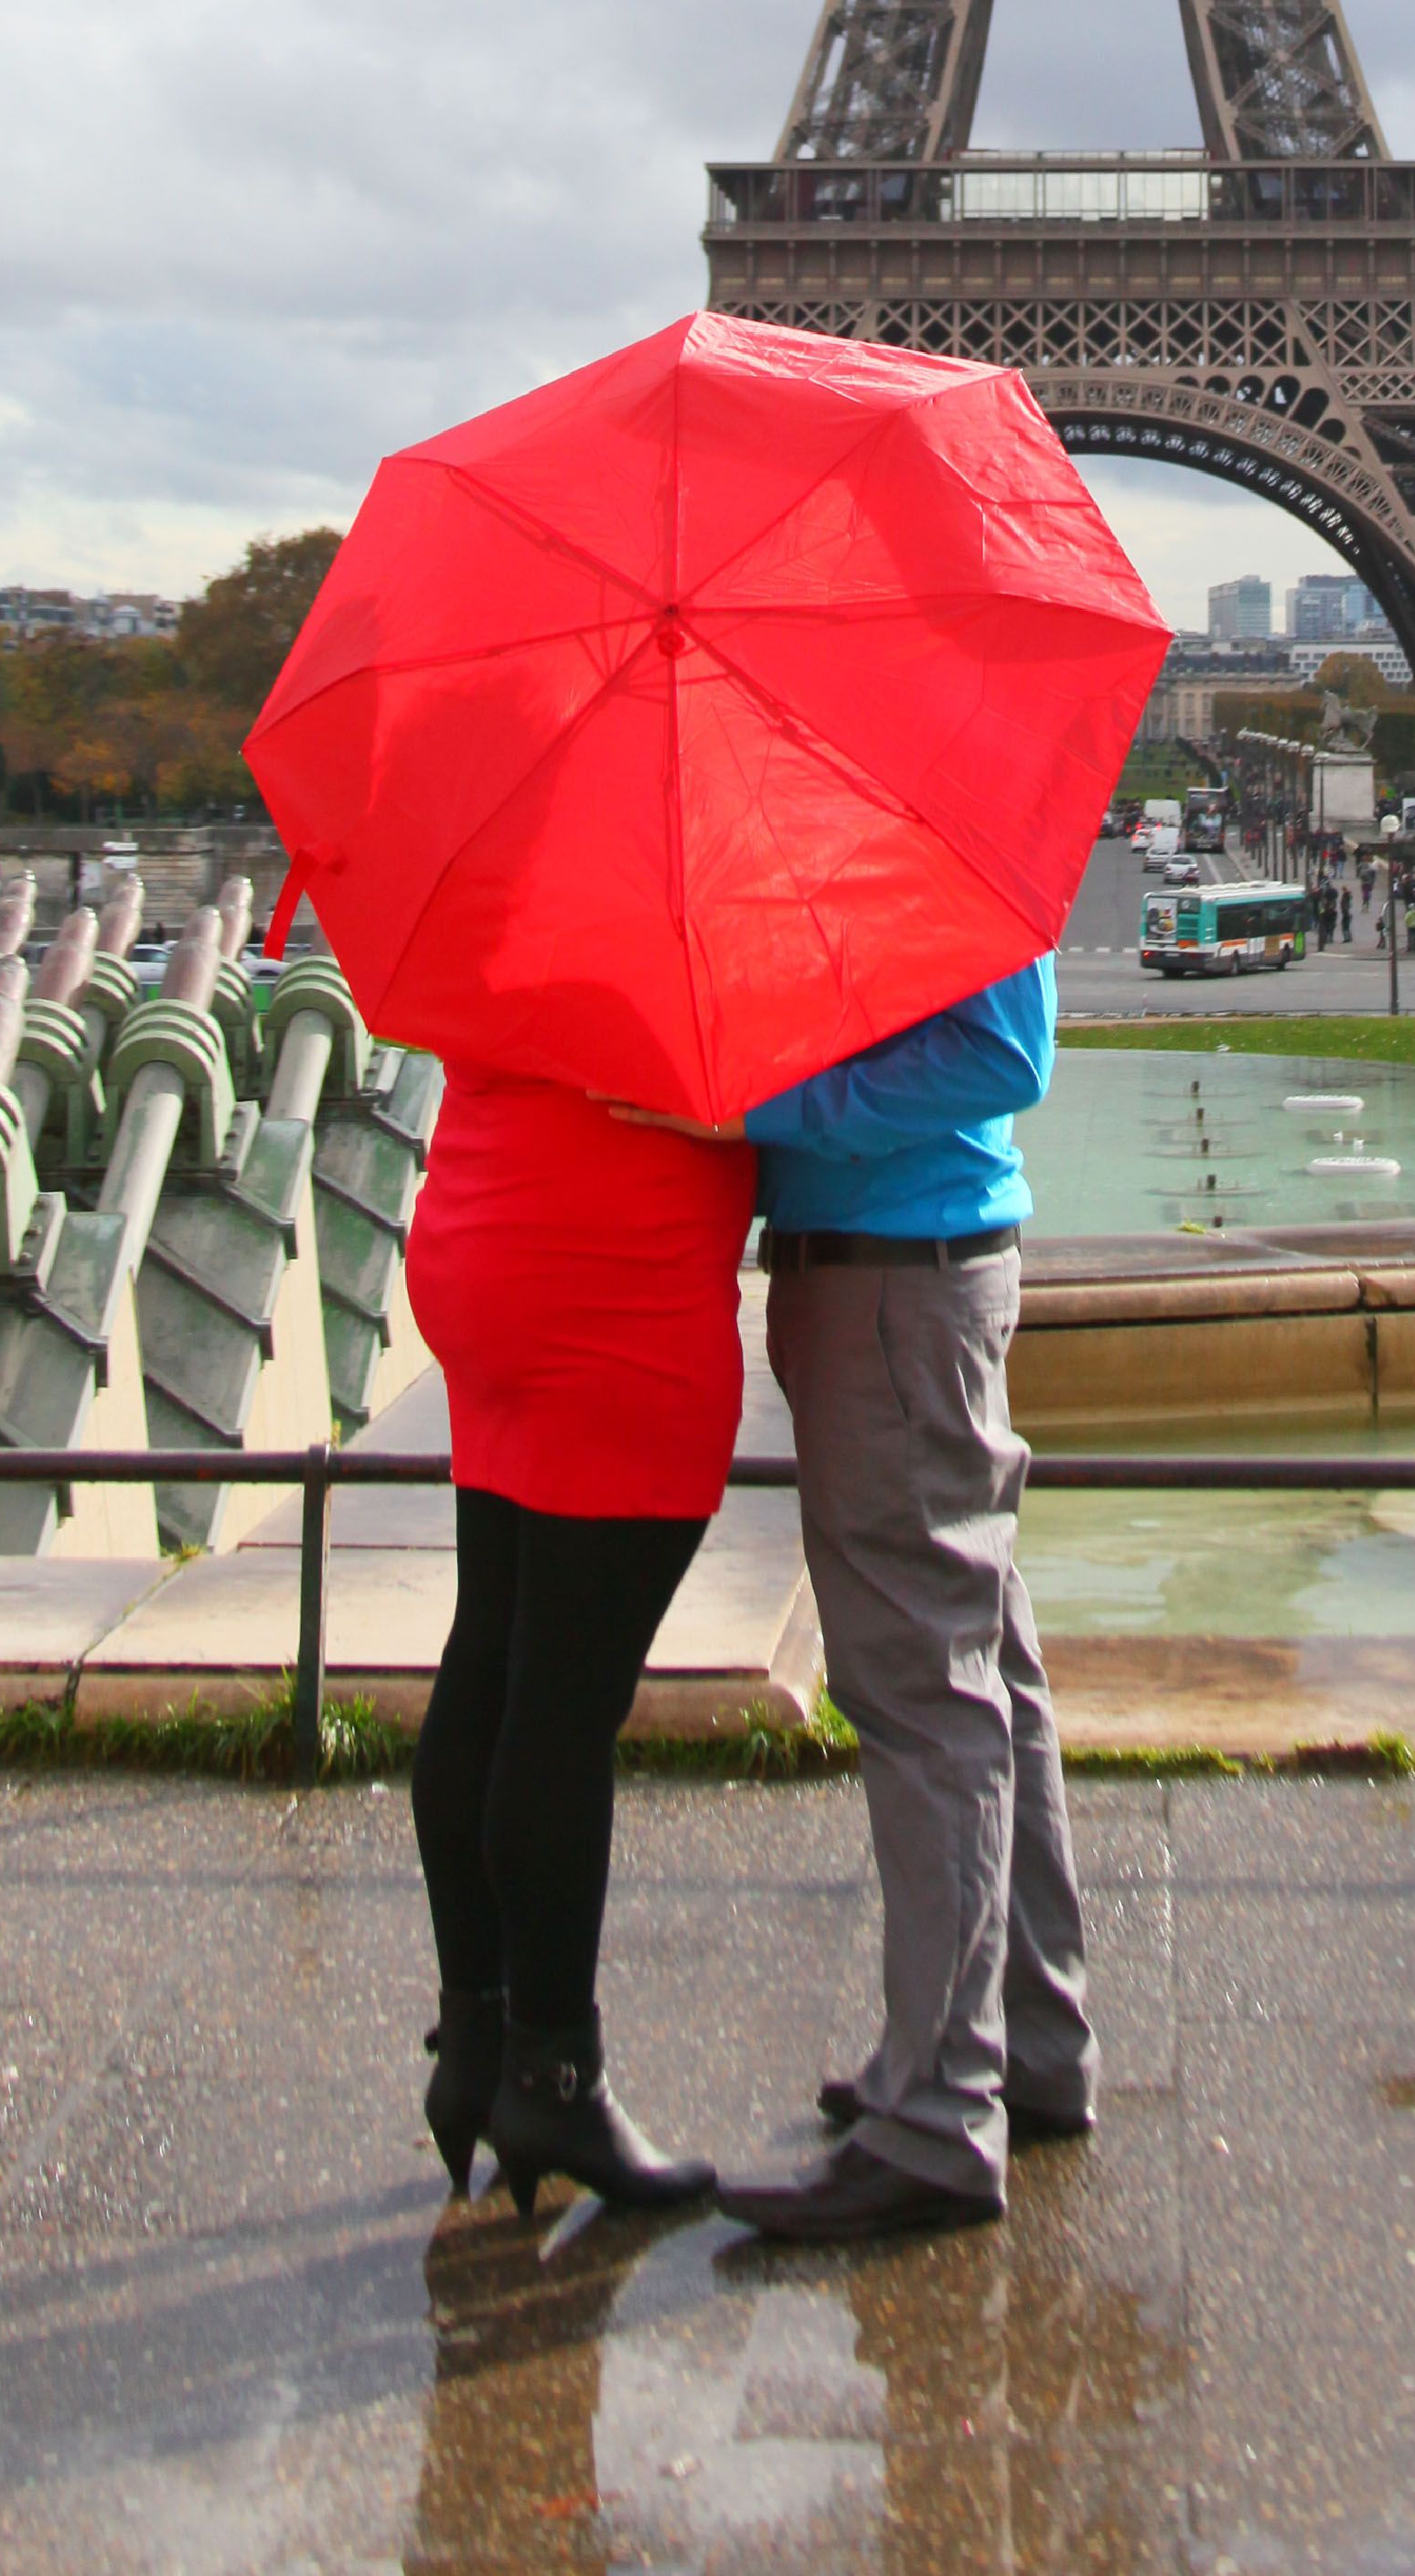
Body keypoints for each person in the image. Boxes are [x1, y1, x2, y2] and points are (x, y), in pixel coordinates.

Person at [713, 953, 1092, 2245]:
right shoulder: (924, 805)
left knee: (926, 1695)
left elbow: (1003, 1056)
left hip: (897, 1278)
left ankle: (939, 2111)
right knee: (987, 1667)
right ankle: (1026, 2041)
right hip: (902, 1270)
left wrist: (760, 1111)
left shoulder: (935, 804)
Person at [403, 1057, 753, 2220]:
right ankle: (554, 2076)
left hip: (485, 1221)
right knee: (562, 1708)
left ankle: (480, 2034)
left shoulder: (509, 874)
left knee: (491, 1654)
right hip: (611, 1268)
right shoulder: (666, 883)